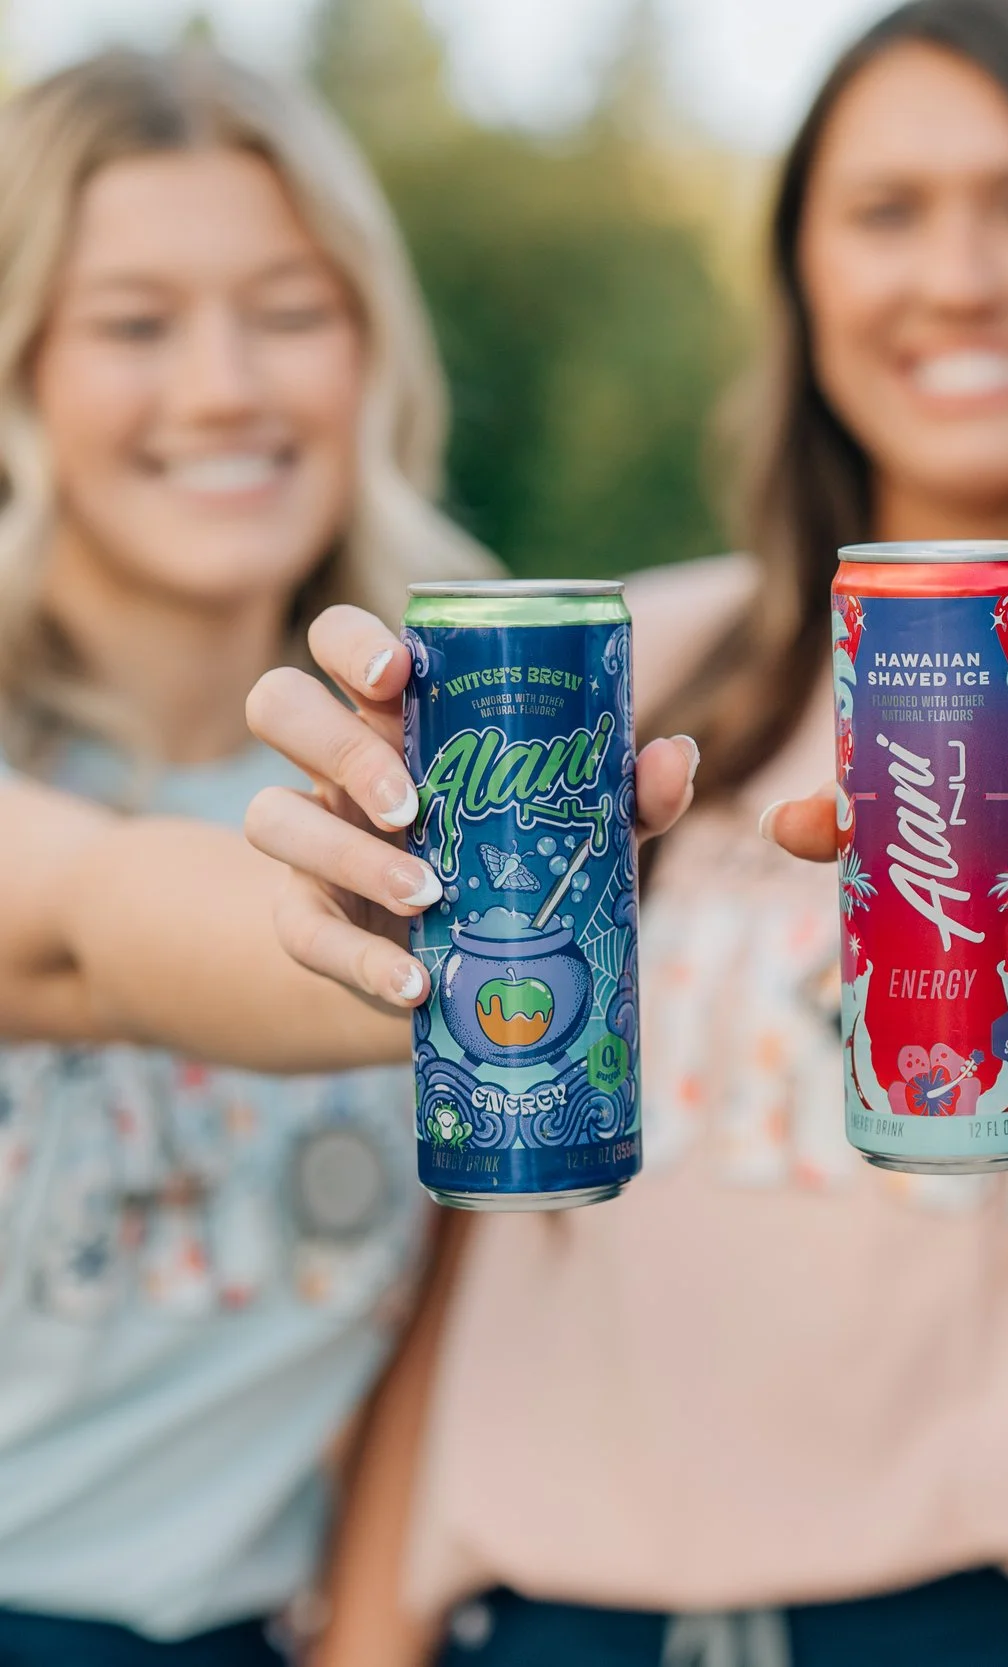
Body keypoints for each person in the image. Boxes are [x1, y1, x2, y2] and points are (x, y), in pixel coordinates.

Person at [273, 3, 1008, 1661]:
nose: (958, 274)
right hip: (566, 1618)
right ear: (804, 279)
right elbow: (480, 1260)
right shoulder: (640, 663)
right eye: (887, 210)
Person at [0, 47, 687, 1666]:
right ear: (20, 367)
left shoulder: (451, 746)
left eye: (291, 310)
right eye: (135, 322)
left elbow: (445, 1322)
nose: (227, 384)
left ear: (373, 348)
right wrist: (391, 920)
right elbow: (89, 928)